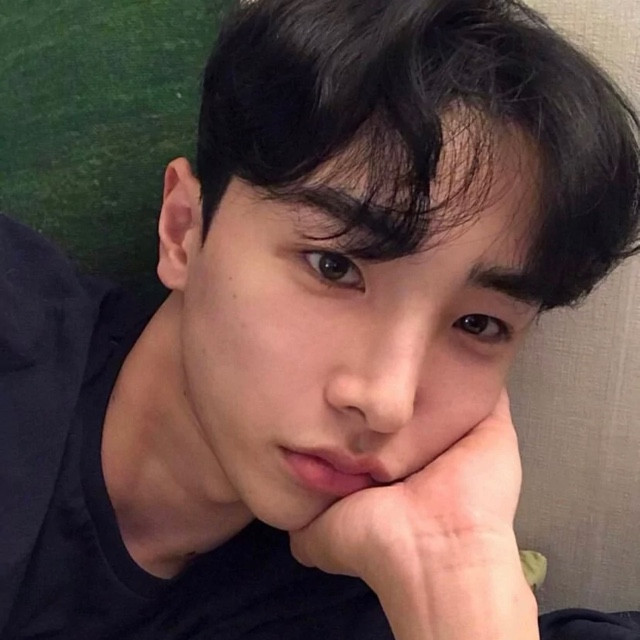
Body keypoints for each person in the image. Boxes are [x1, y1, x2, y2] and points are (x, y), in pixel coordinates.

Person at [1, 0, 639, 638]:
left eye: (478, 325)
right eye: (334, 267)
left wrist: (452, 566)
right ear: (183, 230)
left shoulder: (381, 597)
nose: (386, 402)